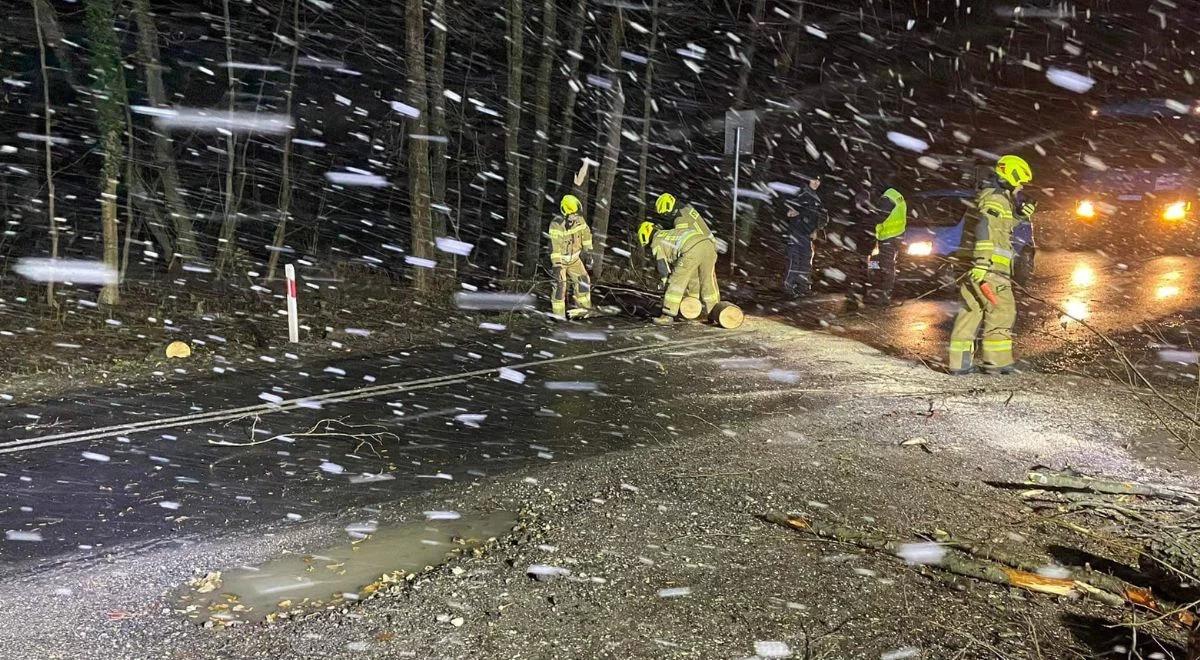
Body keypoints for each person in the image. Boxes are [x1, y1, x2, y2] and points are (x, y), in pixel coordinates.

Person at [947, 155, 1034, 375]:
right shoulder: (996, 199)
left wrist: (1018, 216)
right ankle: (998, 363)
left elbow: (998, 227)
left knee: (971, 310)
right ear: (1011, 176)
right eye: (1020, 181)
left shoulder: (988, 196)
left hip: (972, 265)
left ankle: (959, 364)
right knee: (1002, 310)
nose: (1021, 186)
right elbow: (985, 226)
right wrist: (983, 262)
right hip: (990, 269)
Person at [637, 219, 720, 326]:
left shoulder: (656, 241)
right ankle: (713, 312)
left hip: (691, 249)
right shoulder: (667, 233)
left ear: (645, 235)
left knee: (676, 281)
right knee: (705, 281)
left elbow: (663, 266)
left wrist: (664, 282)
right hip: (708, 244)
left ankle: (668, 313)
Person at [846, 185, 907, 307]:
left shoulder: (887, 199)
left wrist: (862, 223)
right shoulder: (892, 194)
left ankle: (884, 294)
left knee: (885, 265)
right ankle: (878, 291)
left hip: (890, 236)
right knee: (876, 263)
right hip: (891, 235)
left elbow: (878, 218)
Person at [548, 194, 594, 320]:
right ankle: (558, 317)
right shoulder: (556, 225)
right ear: (566, 213)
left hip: (574, 259)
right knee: (560, 286)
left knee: (583, 281)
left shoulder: (580, 220)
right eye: (574, 214)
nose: (577, 217)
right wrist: (557, 266)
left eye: (577, 214)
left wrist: (589, 253)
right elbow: (555, 247)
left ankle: (583, 312)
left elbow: (586, 236)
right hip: (561, 261)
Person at [780, 177, 827, 298]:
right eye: (813, 180)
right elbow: (784, 202)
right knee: (794, 259)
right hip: (796, 232)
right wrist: (788, 211)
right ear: (808, 180)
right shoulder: (801, 191)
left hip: (807, 234)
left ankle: (803, 287)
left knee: (805, 261)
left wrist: (816, 229)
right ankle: (788, 287)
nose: (816, 183)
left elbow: (822, 216)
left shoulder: (816, 197)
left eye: (818, 180)